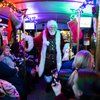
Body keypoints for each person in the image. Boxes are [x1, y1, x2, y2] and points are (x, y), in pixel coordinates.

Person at [22, 20, 68, 92]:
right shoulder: (43, 34)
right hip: (46, 58)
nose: (52, 28)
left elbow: (63, 44)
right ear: (48, 27)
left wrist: (66, 47)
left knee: (55, 72)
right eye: (50, 27)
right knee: (47, 73)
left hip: (56, 57)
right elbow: (35, 40)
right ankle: (48, 85)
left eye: (53, 27)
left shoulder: (59, 34)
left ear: (56, 27)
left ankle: (55, 84)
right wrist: (28, 38)